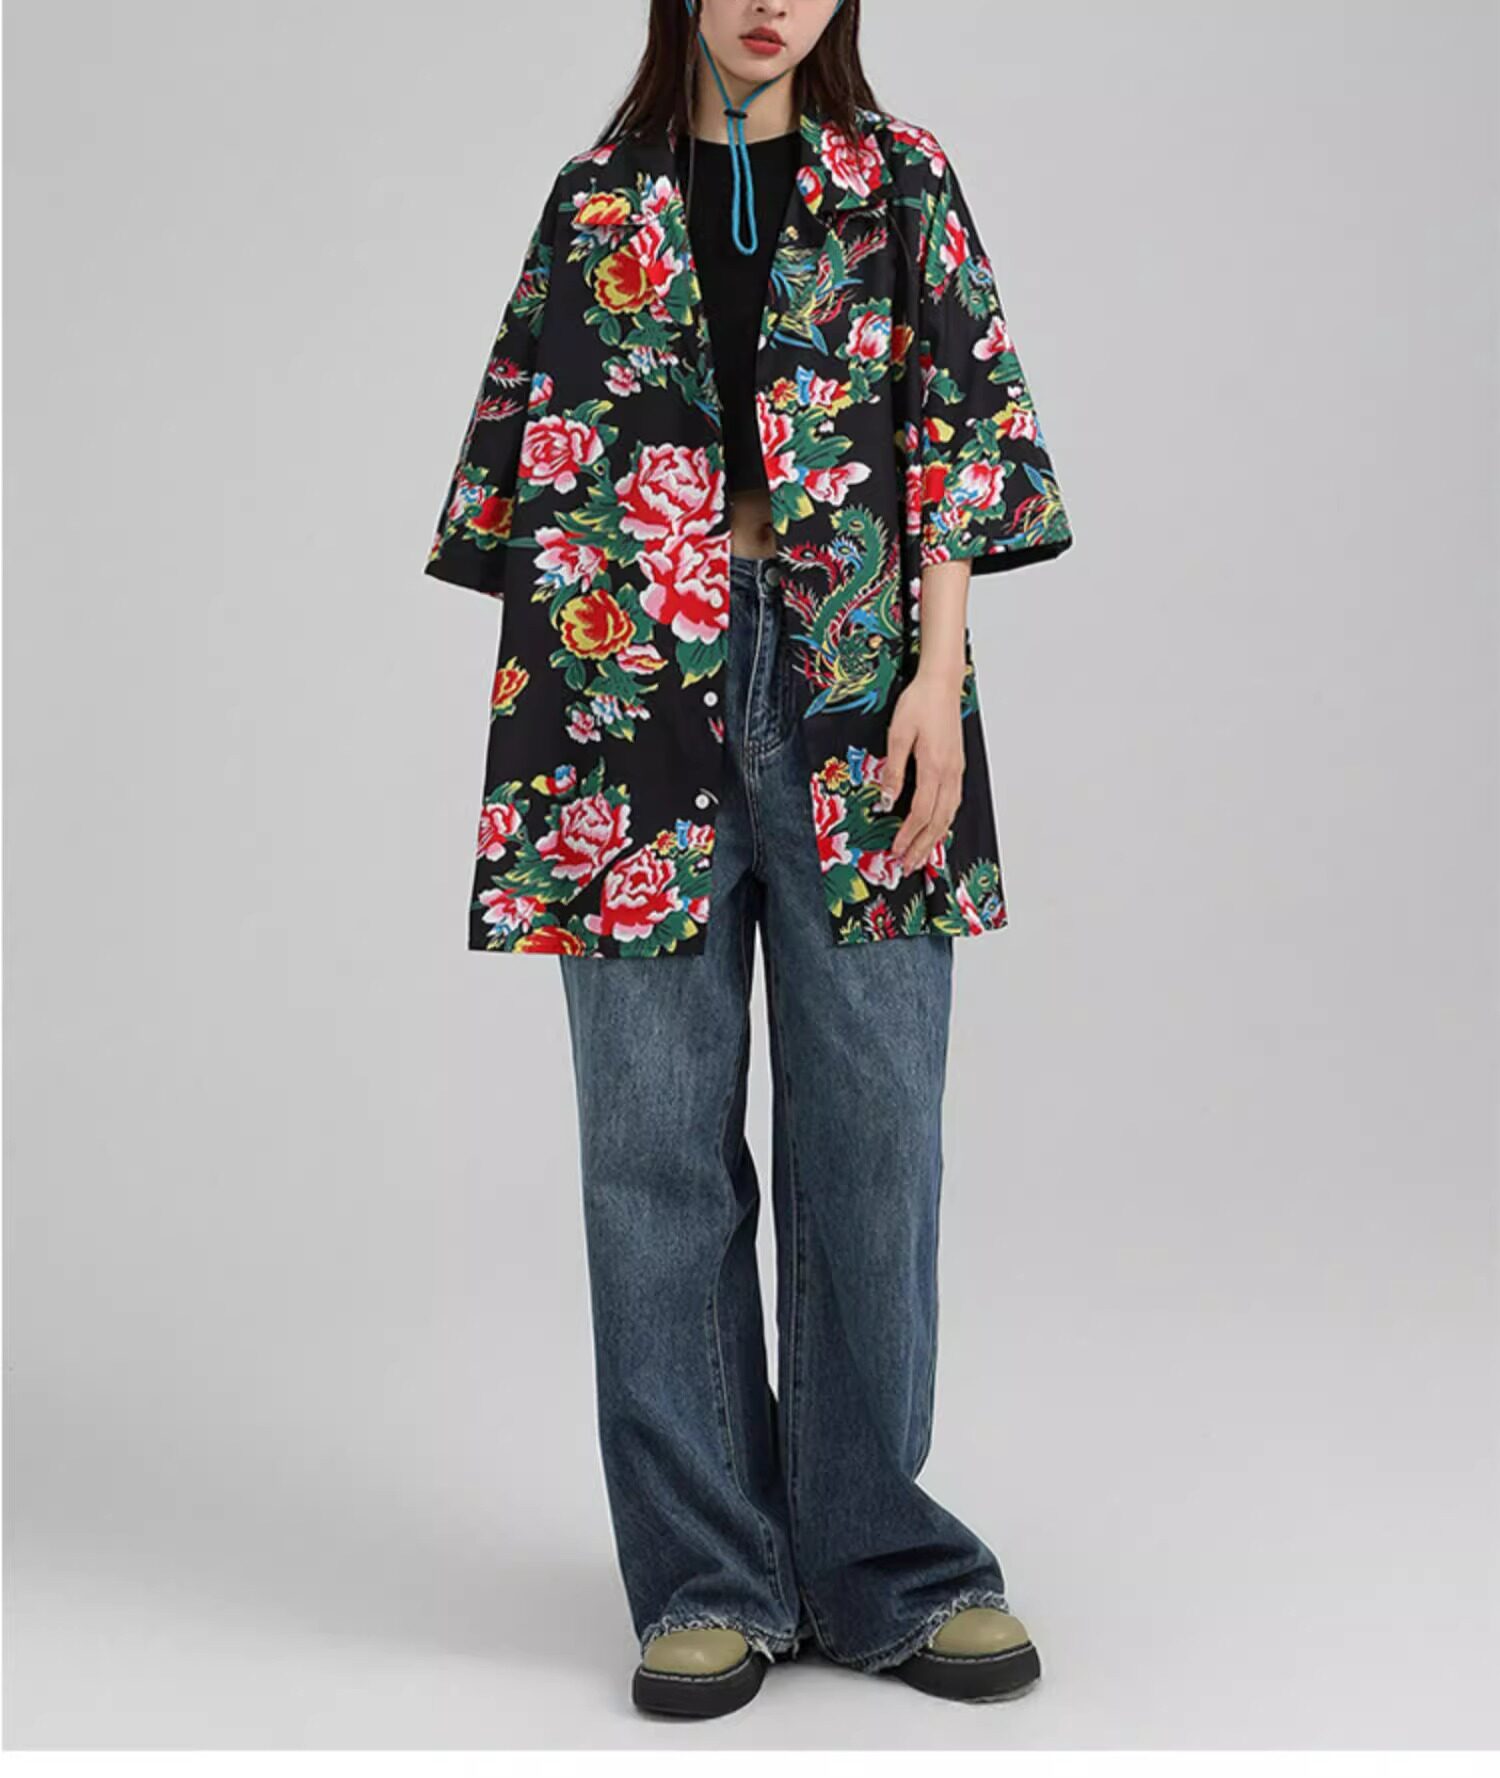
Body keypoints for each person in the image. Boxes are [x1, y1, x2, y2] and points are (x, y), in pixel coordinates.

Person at [422, 0, 1074, 1719]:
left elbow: (961, 441)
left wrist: (939, 676)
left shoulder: (899, 181)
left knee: (876, 1131)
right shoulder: (599, 199)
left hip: (864, 686)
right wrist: (590, 698)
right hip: (630, 687)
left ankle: (882, 1560)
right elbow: (523, 481)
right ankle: (708, 1573)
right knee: (651, 1147)